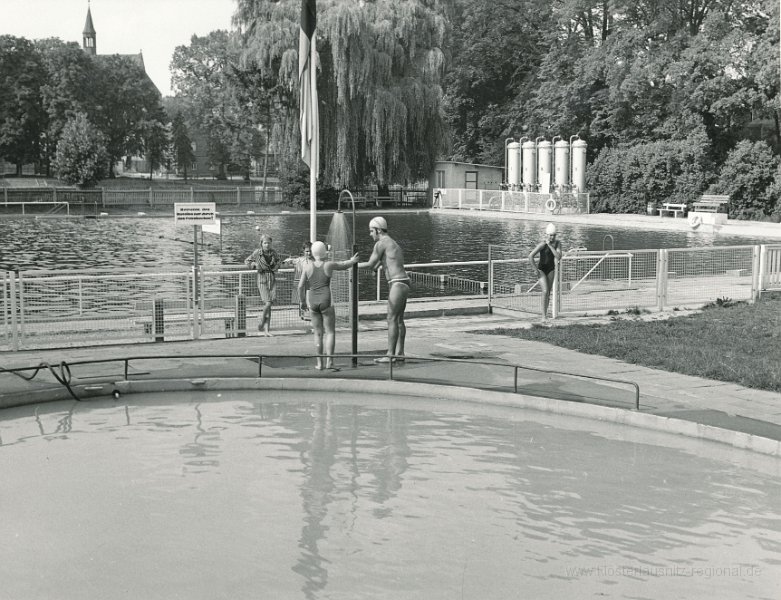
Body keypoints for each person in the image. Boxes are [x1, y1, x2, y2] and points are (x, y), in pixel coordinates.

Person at [297, 241, 359, 370]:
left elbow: (300, 286)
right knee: (330, 332)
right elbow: (343, 265)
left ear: (313, 253)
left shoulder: (307, 267)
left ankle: (319, 364)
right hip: (326, 300)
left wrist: (303, 302)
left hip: (312, 301)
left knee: (317, 334)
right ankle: (329, 362)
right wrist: (353, 260)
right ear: (324, 252)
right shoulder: (328, 265)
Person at [358, 216, 410, 363]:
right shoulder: (393, 243)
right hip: (404, 282)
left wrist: (351, 264)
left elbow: (370, 264)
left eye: (371, 231)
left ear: (378, 230)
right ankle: (400, 353)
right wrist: (375, 269)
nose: (370, 234)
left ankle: (390, 354)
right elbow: (384, 263)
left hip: (397, 283)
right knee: (399, 320)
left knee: (391, 319)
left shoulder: (381, 243)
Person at [244, 234, 281, 336]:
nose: (267, 245)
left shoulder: (274, 253)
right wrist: (254, 265)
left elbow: (279, 262)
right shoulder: (257, 253)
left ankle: (266, 331)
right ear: (261, 243)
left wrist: (277, 266)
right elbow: (247, 261)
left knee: (269, 306)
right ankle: (261, 321)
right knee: (268, 303)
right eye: (265, 243)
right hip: (262, 279)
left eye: (269, 243)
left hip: (272, 279)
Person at [528, 222, 562, 322]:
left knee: (548, 293)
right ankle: (543, 316)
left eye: (554, 235)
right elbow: (530, 256)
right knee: (545, 291)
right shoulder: (542, 244)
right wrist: (535, 269)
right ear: (547, 235)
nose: (552, 237)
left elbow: (558, 256)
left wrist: (550, 246)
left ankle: (545, 315)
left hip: (551, 269)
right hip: (541, 269)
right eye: (550, 235)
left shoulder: (558, 243)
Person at [285, 241, 313, 321]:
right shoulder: (300, 260)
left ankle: (309, 313)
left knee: (309, 298)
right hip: (302, 281)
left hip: (310, 282)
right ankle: (303, 314)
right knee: (301, 297)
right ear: (304, 252)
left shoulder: (314, 260)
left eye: (310, 251)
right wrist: (287, 261)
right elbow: (289, 261)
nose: (309, 253)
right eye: (307, 251)